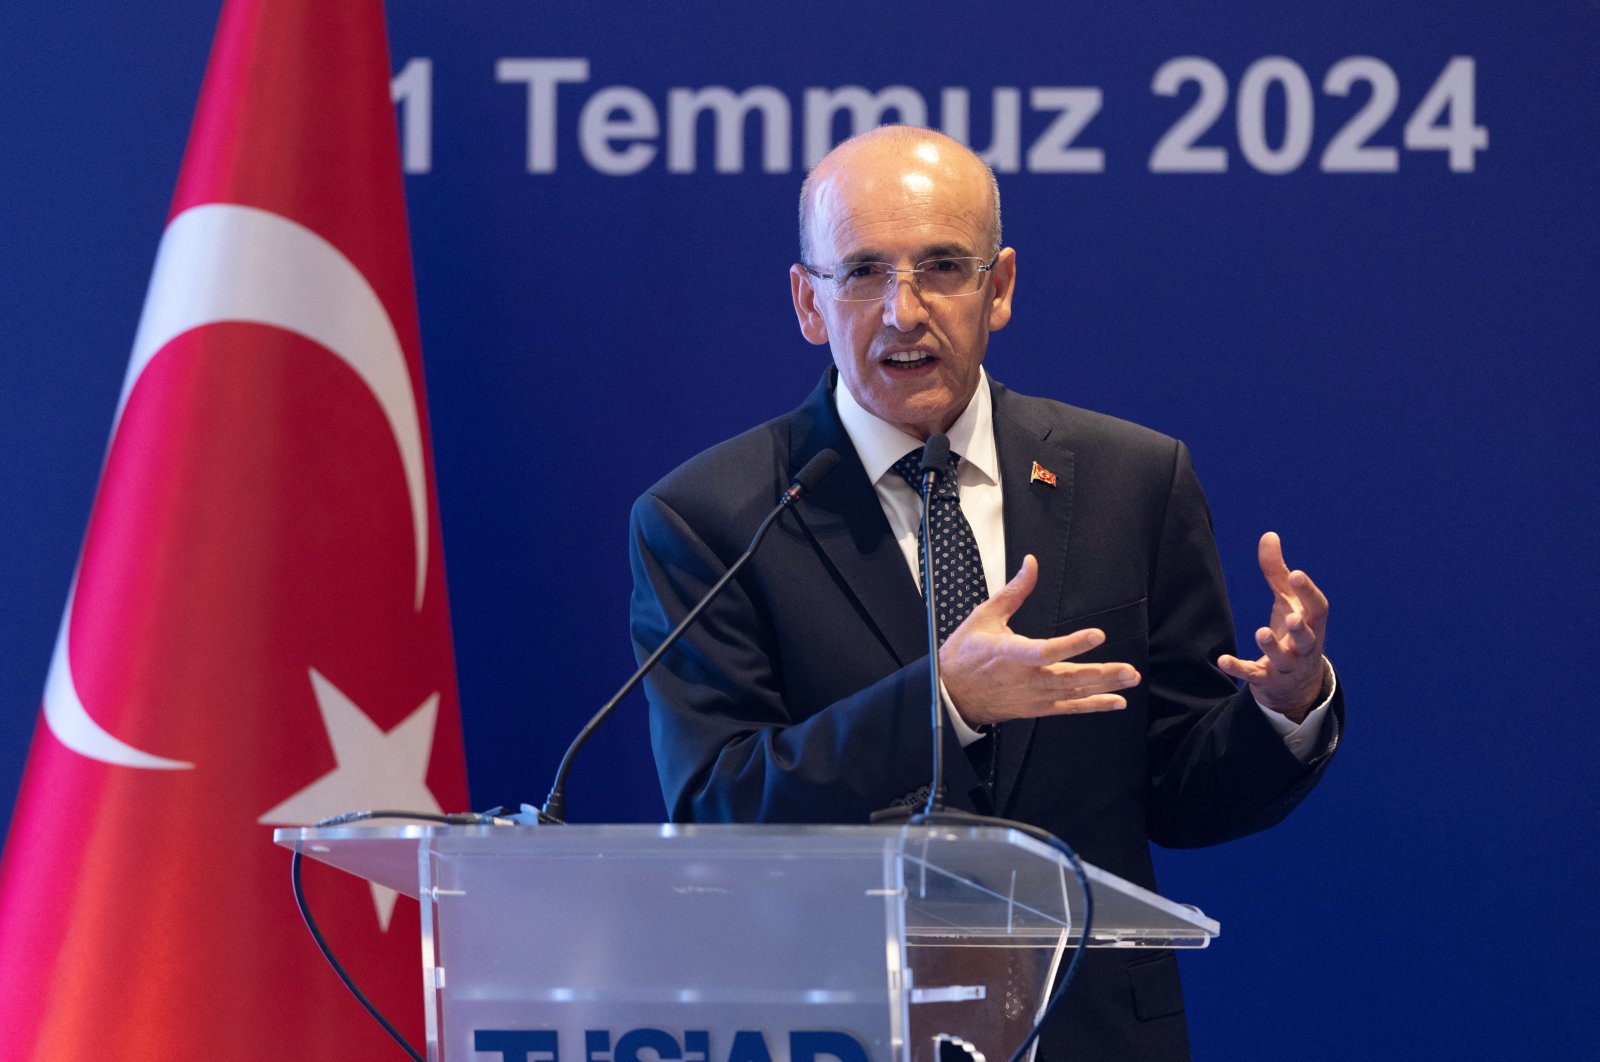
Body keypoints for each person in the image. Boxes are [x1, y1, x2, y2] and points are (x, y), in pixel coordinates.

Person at [629, 125, 1341, 1060]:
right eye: (864, 273)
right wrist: (943, 702)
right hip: (834, 1033)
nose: (903, 310)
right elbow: (719, 809)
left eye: (942, 267)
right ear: (808, 302)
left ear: (998, 287)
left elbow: (1183, 792)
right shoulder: (709, 518)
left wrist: (1285, 708)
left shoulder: (1134, 481)